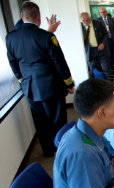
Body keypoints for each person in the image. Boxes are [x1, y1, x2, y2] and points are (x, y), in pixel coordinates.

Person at [6, 1, 74, 157]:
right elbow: (59, 62)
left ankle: (48, 150)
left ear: (22, 17)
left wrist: (21, 80)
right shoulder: (46, 36)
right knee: (57, 119)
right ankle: (61, 150)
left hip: (28, 86)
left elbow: (13, 62)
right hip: (50, 85)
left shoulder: (10, 37)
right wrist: (69, 83)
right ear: (39, 18)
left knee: (40, 120)